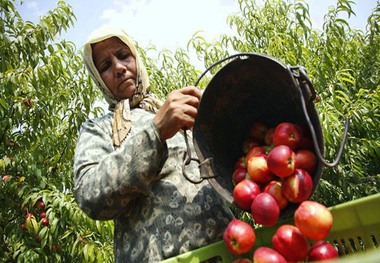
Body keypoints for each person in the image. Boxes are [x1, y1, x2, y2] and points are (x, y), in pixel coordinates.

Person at [73, 26, 234, 262]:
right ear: (99, 79)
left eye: (123, 55)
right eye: (106, 66)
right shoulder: (99, 129)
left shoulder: (175, 109)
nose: (118, 68)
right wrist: (156, 131)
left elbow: (230, 173)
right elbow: (90, 196)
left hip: (227, 251)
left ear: (136, 58)